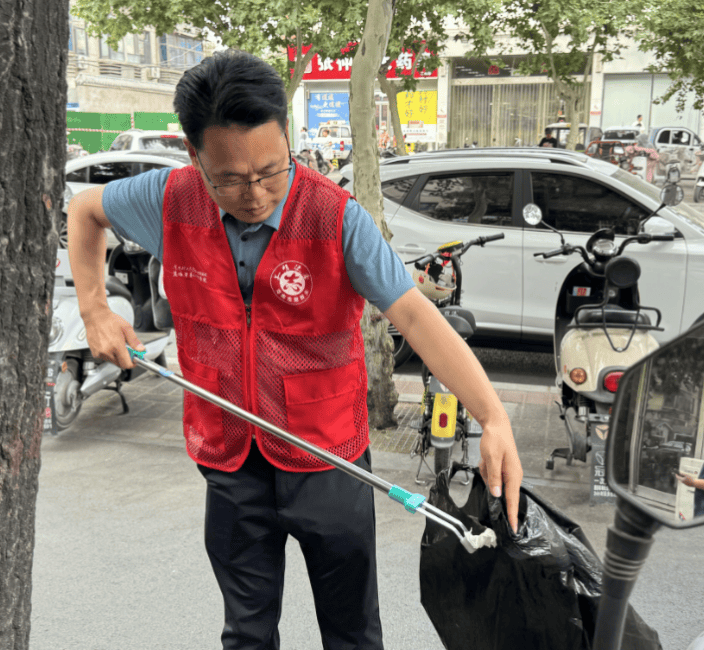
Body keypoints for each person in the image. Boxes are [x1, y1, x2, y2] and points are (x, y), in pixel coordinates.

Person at [66, 50, 523, 650]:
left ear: (289, 137)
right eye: (228, 177)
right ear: (194, 154)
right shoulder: (170, 200)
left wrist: (492, 416)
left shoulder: (335, 218)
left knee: (352, 633)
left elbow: (412, 312)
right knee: (248, 633)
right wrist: (94, 309)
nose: (254, 194)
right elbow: (86, 210)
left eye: (271, 171)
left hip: (327, 454)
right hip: (229, 452)